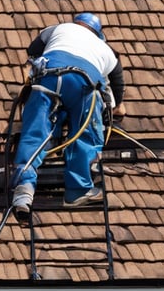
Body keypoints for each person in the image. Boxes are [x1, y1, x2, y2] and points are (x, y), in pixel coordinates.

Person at [11, 12, 126, 221]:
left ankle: (23, 189)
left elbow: (33, 51)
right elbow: (116, 88)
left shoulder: (57, 29)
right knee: (86, 134)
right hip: (84, 83)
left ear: (76, 24)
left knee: (35, 129)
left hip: (48, 75)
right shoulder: (107, 51)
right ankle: (78, 191)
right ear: (98, 33)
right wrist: (115, 108)